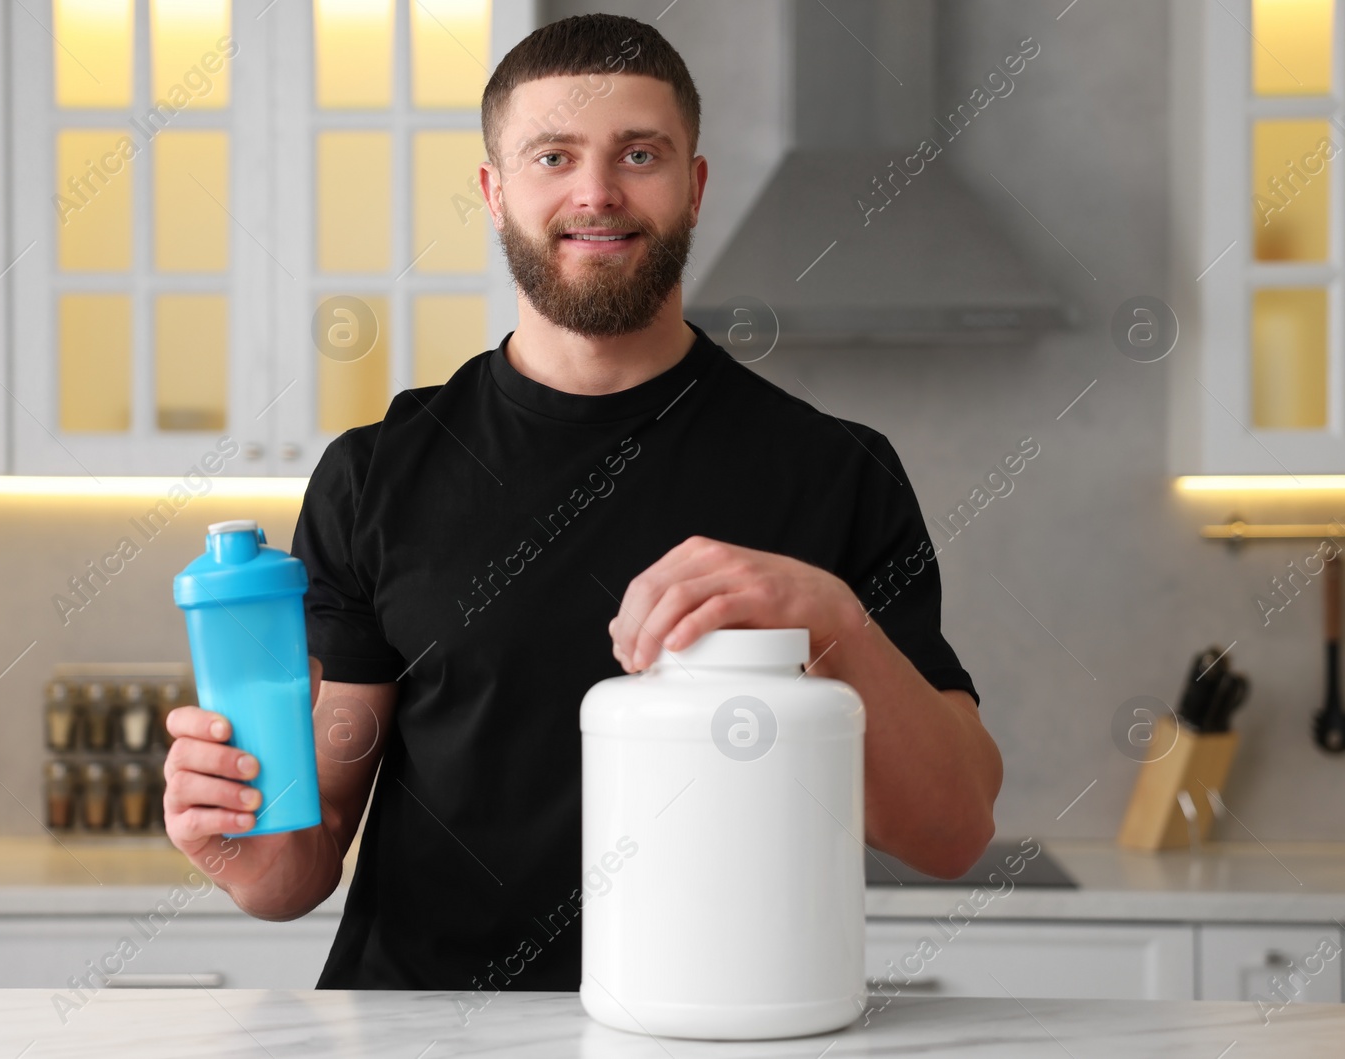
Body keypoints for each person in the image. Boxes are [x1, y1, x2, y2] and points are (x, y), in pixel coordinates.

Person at [164, 12, 1002, 993]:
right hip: (429, 1031)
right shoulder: (377, 475)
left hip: (719, 1030)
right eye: (552, 155)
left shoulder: (833, 472)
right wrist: (238, 848)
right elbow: (303, 859)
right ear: (493, 192)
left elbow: (952, 834)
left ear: (692, 185)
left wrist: (829, 618)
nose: (595, 192)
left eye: (638, 154)